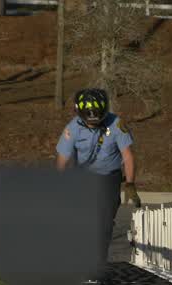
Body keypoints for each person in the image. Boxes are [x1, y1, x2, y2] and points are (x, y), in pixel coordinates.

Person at [55, 88, 141, 263]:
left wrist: (130, 184)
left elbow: (128, 156)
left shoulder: (116, 124)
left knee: (104, 223)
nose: (92, 124)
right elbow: (63, 159)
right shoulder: (73, 128)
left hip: (110, 178)